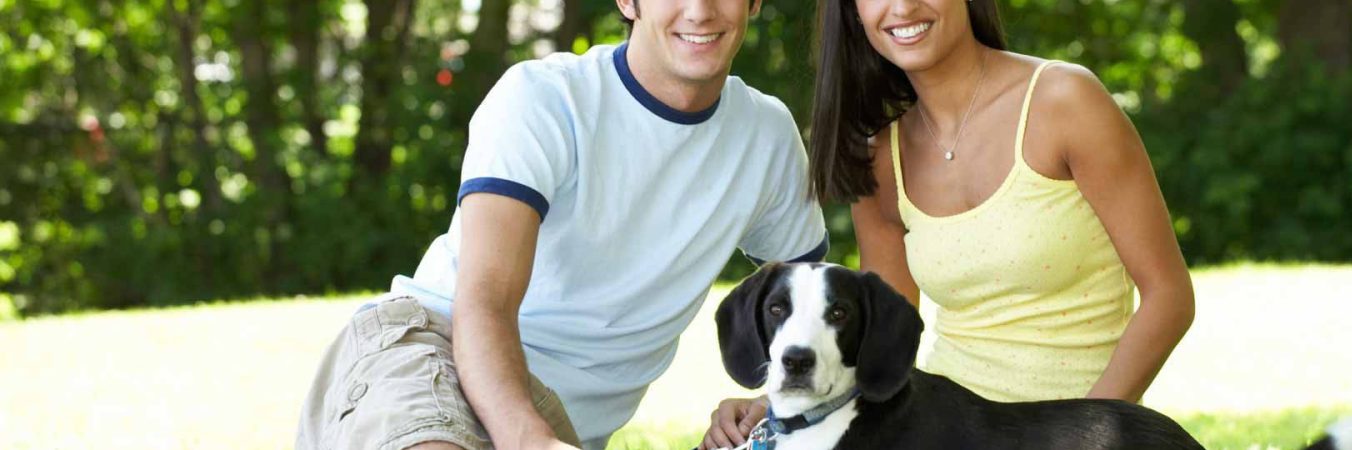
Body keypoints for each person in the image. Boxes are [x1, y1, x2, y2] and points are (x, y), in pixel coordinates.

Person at [294, 1, 828, 449]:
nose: (699, 10)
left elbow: (817, 307)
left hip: (561, 423)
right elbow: (485, 299)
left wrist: (773, 401)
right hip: (437, 347)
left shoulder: (767, 137)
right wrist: (531, 440)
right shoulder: (545, 98)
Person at [700, 0, 1194, 447]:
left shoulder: (1065, 101)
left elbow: (1168, 296)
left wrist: (1088, 436)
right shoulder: (882, 160)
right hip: (943, 429)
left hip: (1072, 430)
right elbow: (877, 346)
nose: (903, 7)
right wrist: (776, 402)